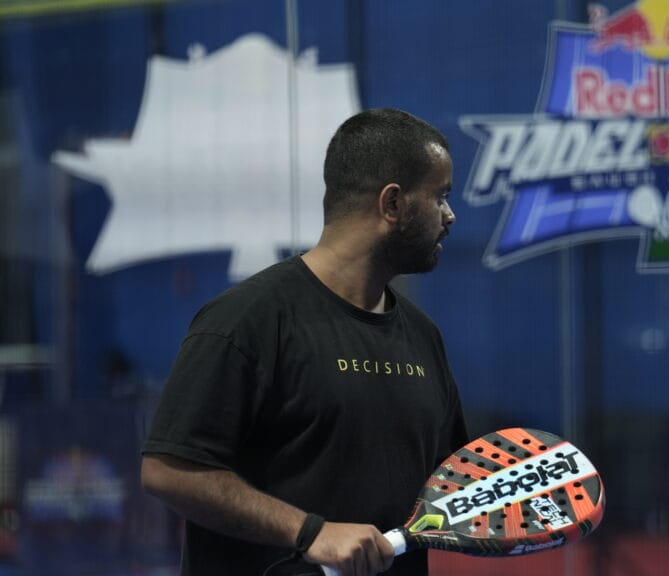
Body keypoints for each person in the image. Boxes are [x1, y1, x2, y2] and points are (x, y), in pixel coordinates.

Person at [140, 108, 468, 576]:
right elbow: (168, 469)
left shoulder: (423, 335)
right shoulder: (247, 319)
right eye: (440, 196)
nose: (450, 215)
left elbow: (450, 482)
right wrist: (310, 532)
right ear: (392, 204)